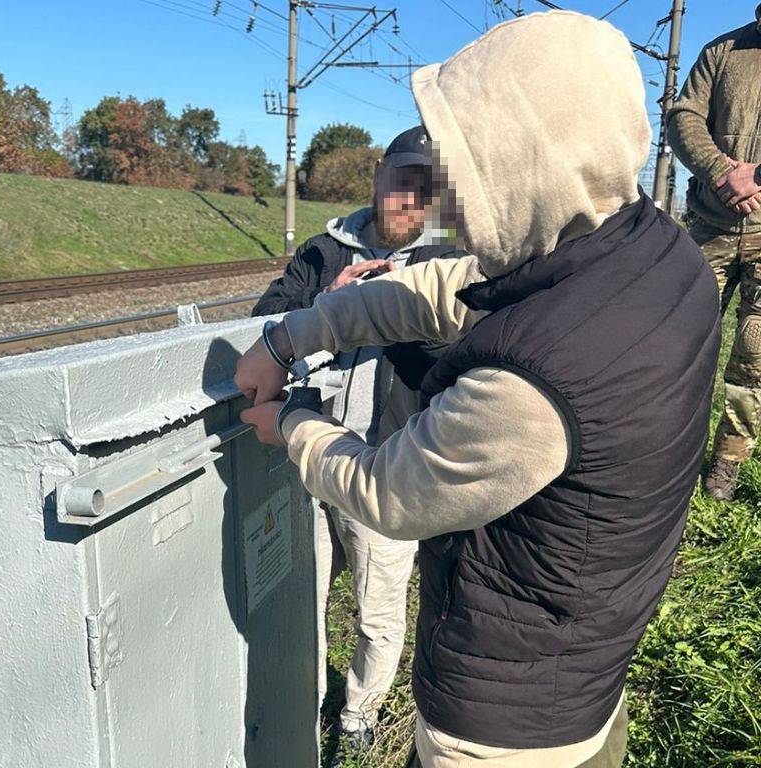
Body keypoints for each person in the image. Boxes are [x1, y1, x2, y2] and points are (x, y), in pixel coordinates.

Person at [235, 11, 719, 768]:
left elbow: (391, 491)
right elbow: (448, 288)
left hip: (507, 728)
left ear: (532, 160)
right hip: (586, 655)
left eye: (468, 169)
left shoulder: (535, 384)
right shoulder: (653, 255)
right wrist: (295, 332)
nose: (447, 204)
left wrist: (292, 421)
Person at [253, 127, 460, 764]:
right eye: (402, 184)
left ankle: (358, 715)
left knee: (378, 609)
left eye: (425, 193)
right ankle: (308, 696)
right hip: (304, 451)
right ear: (379, 178)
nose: (409, 204)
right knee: (300, 600)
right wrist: (330, 304)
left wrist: (385, 309)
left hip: (386, 463)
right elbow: (265, 318)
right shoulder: (321, 250)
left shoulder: (444, 265)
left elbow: (453, 363)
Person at [667, 3, 761, 500]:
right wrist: (721, 170)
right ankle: (668, 455)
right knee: (679, 348)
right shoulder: (723, 50)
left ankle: (726, 467)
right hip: (710, 225)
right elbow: (683, 117)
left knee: (754, 357)